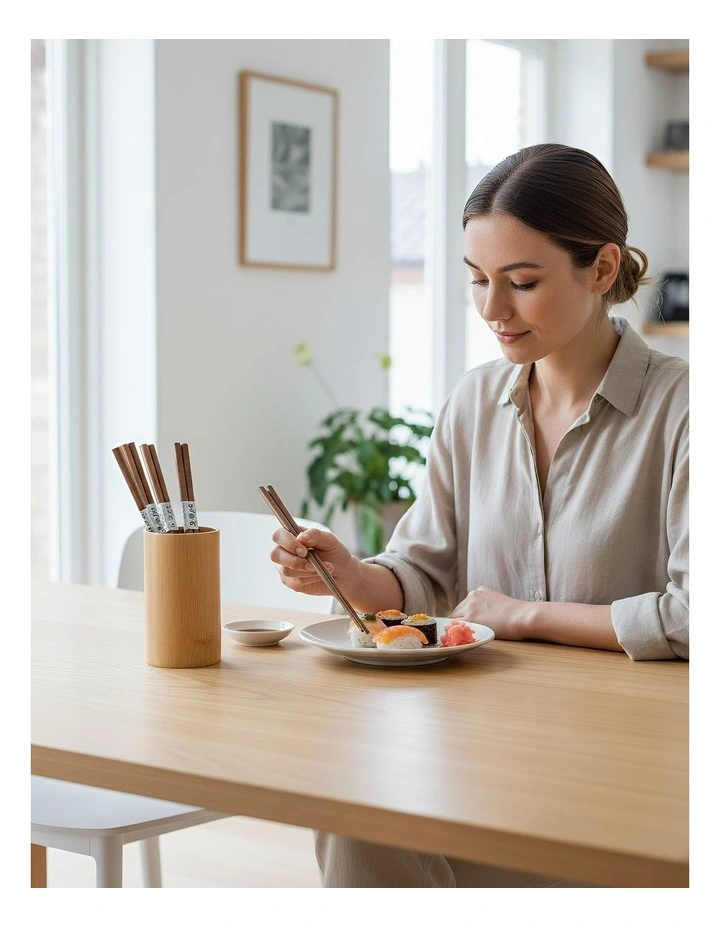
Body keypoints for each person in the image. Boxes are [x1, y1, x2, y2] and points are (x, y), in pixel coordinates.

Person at [269, 143, 689, 887]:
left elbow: (696, 616)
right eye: (477, 282)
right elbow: (422, 574)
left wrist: (528, 615)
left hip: (634, 757)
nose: (493, 310)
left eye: (522, 283)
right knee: (354, 815)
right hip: (479, 734)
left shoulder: (684, 409)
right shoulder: (472, 403)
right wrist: (351, 573)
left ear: (600, 269)